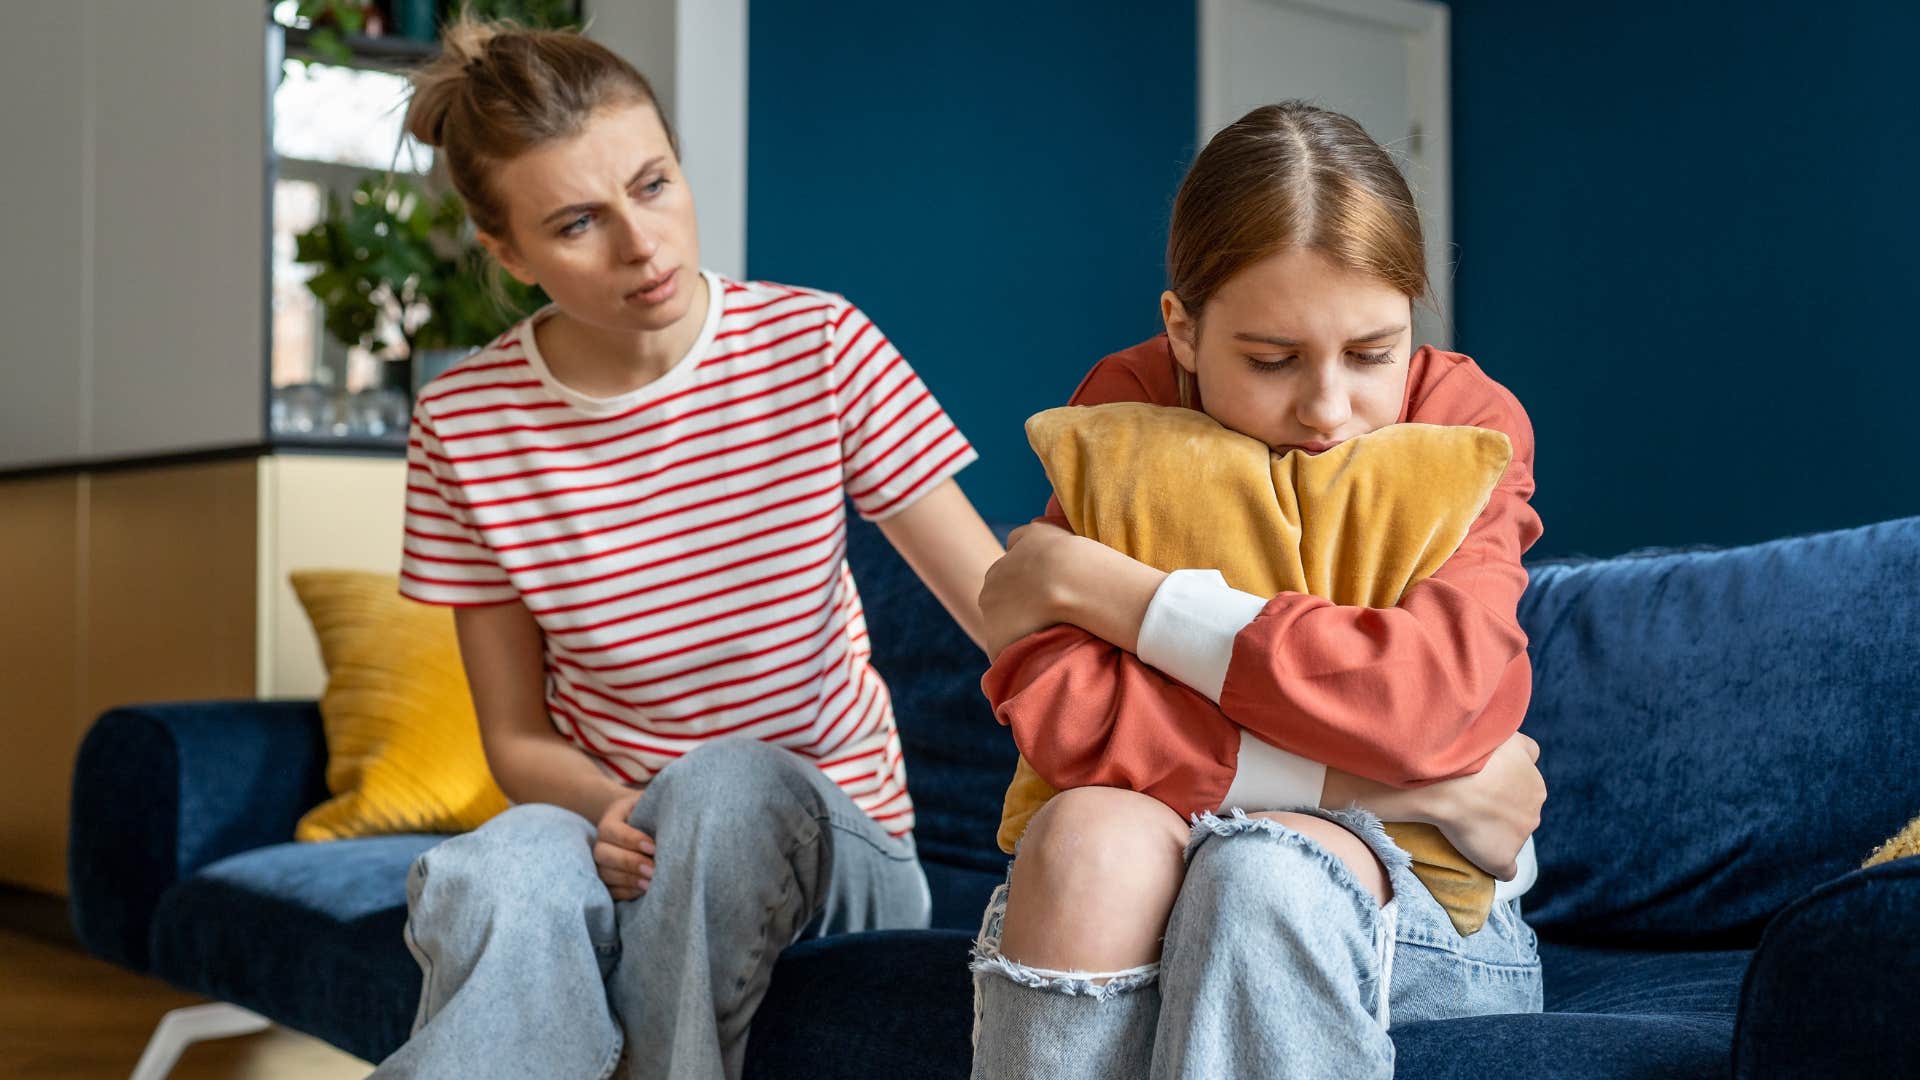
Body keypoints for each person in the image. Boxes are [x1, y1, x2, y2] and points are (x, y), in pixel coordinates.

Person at [369, 18, 1003, 1080]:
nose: (642, 244)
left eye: (654, 184)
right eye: (577, 223)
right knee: (497, 875)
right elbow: (516, 738)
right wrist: (606, 810)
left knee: (718, 790)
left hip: (833, 835)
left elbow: (1000, 612)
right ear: (508, 253)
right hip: (613, 827)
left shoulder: (818, 346)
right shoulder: (464, 424)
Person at [969, 101, 1549, 1079]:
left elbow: (1424, 699)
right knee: (1083, 834)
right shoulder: (1121, 411)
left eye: (1372, 354)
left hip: (1417, 894)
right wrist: (1407, 783)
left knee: (1261, 870)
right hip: (1361, 816)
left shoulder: (1467, 420)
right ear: (1183, 329)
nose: (1328, 410)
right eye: (1272, 361)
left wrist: (1116, 593)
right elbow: (1067, 715)